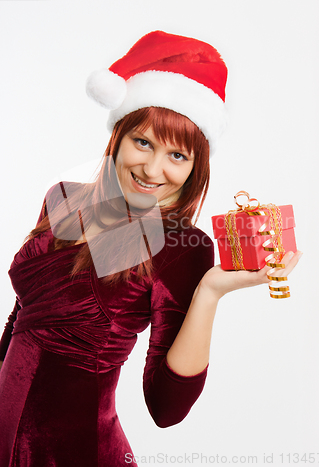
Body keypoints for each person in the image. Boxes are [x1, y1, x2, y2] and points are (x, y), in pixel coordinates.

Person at [0, 31, 301, 467]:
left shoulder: (182, 247)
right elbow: (21, 317)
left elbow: (166, 409)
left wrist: (210, 292)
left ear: (196, 167)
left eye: (177, 156)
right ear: (119, 136)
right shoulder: (62, 196)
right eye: (143, 142)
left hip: (78, 452)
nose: (153, 169)